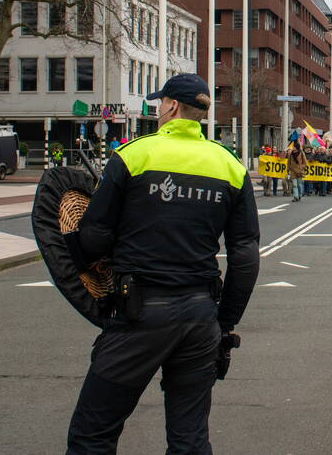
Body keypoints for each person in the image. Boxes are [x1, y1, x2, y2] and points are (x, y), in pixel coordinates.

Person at [65, 73, 260, 454]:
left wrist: (83, 257)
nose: (158, 110)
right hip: (200, 314)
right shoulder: (229, 165)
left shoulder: (134, 155)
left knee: (93, 433)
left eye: (160, 104)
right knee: (190, 440)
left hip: (139, 313)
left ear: (171, 106)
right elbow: (245, 255)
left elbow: (94, 236)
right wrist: (224, 322)